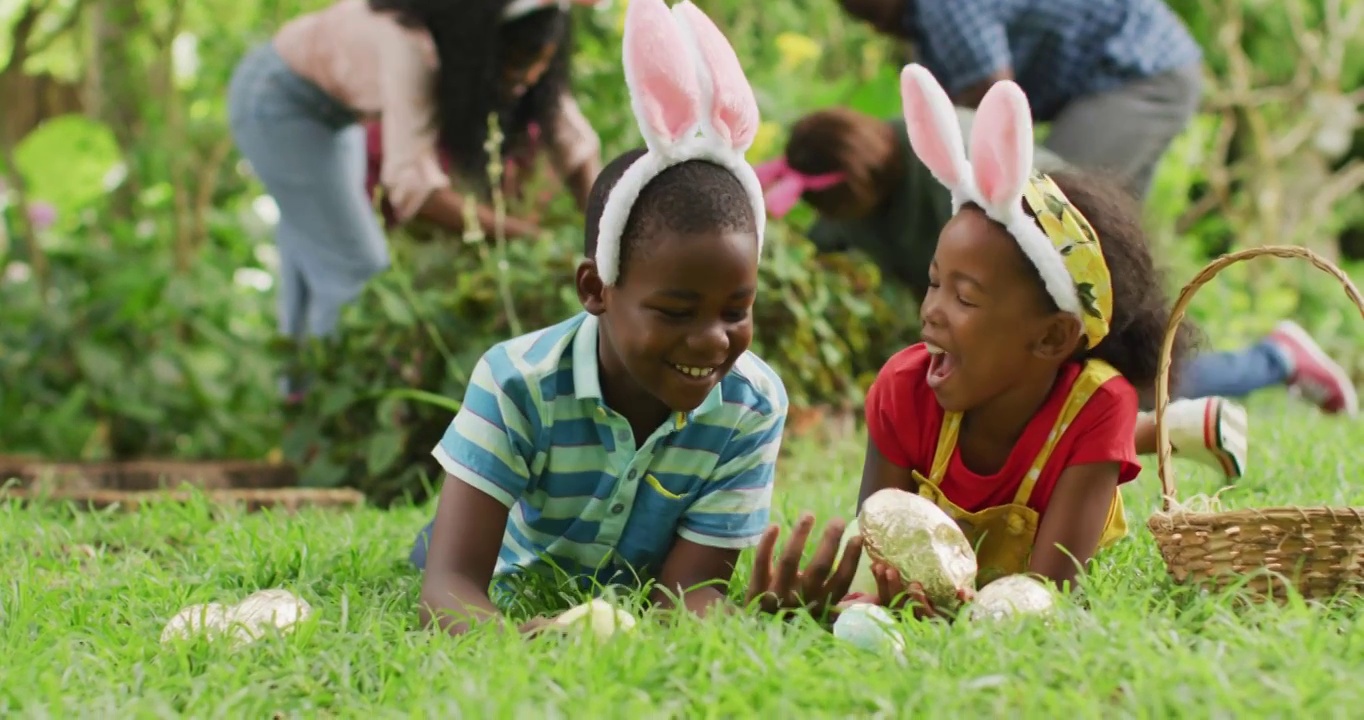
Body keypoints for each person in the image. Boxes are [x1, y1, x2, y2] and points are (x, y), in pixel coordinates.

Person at [410, 0, 863, 637]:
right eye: (676, 311)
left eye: (737, 310)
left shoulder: (751, 404)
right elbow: (449, 583)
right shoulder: (515, 381)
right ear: (596, 288)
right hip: (511, 579)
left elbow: (685, 599)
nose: (712, 339)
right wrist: (517, 647)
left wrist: (759, 616)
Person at [755, 106, 1360, 475]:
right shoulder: (859, 210)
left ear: (863, 178)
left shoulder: (950, 159)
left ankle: (1272, 361)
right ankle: (1192, 418)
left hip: (1062, 287)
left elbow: (1058, 216)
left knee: (1123, 388)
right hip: (995, 328)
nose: (839, 220)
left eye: (839, 205)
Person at [849, 64, 1204, 612]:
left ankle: (1168, 430)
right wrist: (871, 598)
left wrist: (955, 612)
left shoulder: (1098, 407)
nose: (932, 313)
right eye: (935, 283)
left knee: (1113, 426)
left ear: (1052, 337)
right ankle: (1166, 429)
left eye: (965, 298)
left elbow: (1050, 590)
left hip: (1068, 434)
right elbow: (872, 548)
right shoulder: (903, 387)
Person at [226, 0, 604, 395]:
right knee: (356, 270)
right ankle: (336, 423)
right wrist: (530, 237)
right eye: (515, 64)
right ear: (481, 47)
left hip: (338, 115)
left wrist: (603, 239)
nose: (527, 78)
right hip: (280, 103)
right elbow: (414, 189)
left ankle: (298, 407)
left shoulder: (514, 49)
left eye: (541, 64)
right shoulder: (412, 47)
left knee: (317, 264)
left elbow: (574, 143)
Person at [834, 0, 1205, 201]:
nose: (864, 19)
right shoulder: (919, 23)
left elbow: (990, 106)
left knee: (1051, 207)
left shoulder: (944, 7)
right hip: (1137, 68)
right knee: (1102, 227)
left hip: (1136, 68)